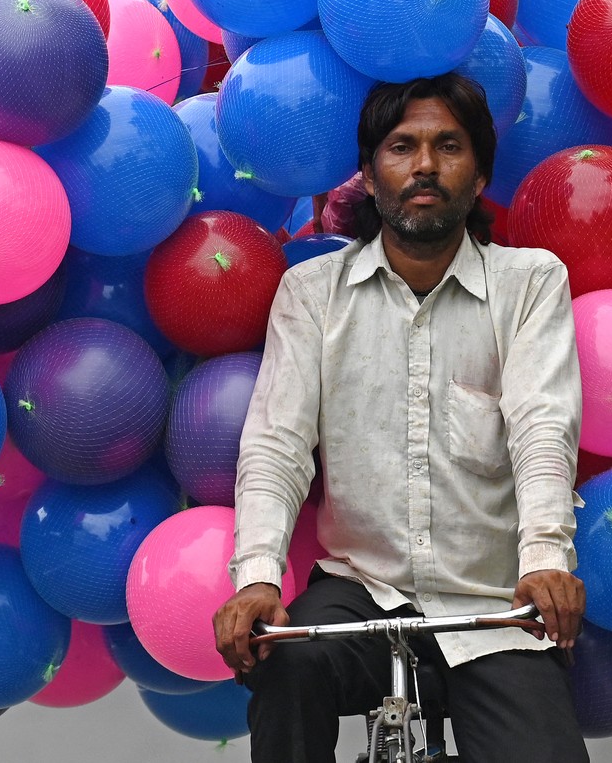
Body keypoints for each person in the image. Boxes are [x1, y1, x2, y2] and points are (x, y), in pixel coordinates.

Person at [212, 72, 590, 763]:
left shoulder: (531, 281)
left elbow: (544, 428)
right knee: (285, 669)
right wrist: (258, 577)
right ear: (368, 172)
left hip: (494, 606)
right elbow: (276, 448)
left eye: (448, 146)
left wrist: (544, 560)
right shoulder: (312, 292)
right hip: (359, 593)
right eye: (401, 146)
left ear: (479, 176)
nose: (423, 165)